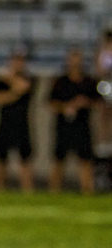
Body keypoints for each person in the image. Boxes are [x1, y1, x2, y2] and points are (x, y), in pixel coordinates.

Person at [48, 48, 99, 194]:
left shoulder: (89, 81)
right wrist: (66, 107)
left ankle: (87, 190)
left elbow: (97, 102)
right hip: (64, 126)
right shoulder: (60, 81)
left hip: (82, 126)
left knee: (85, 160)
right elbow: (51, 103)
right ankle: (54, 191)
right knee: (59, 159)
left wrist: (84, 102)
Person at [0, 48, 36, 192]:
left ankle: (27, 189)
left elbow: (23, 88)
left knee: (25, 158)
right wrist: (12, 93)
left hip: (22, 123)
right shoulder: (0, 80)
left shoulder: (29, 78)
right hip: (5, 122)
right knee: (1, 158)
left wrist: (10, 81)